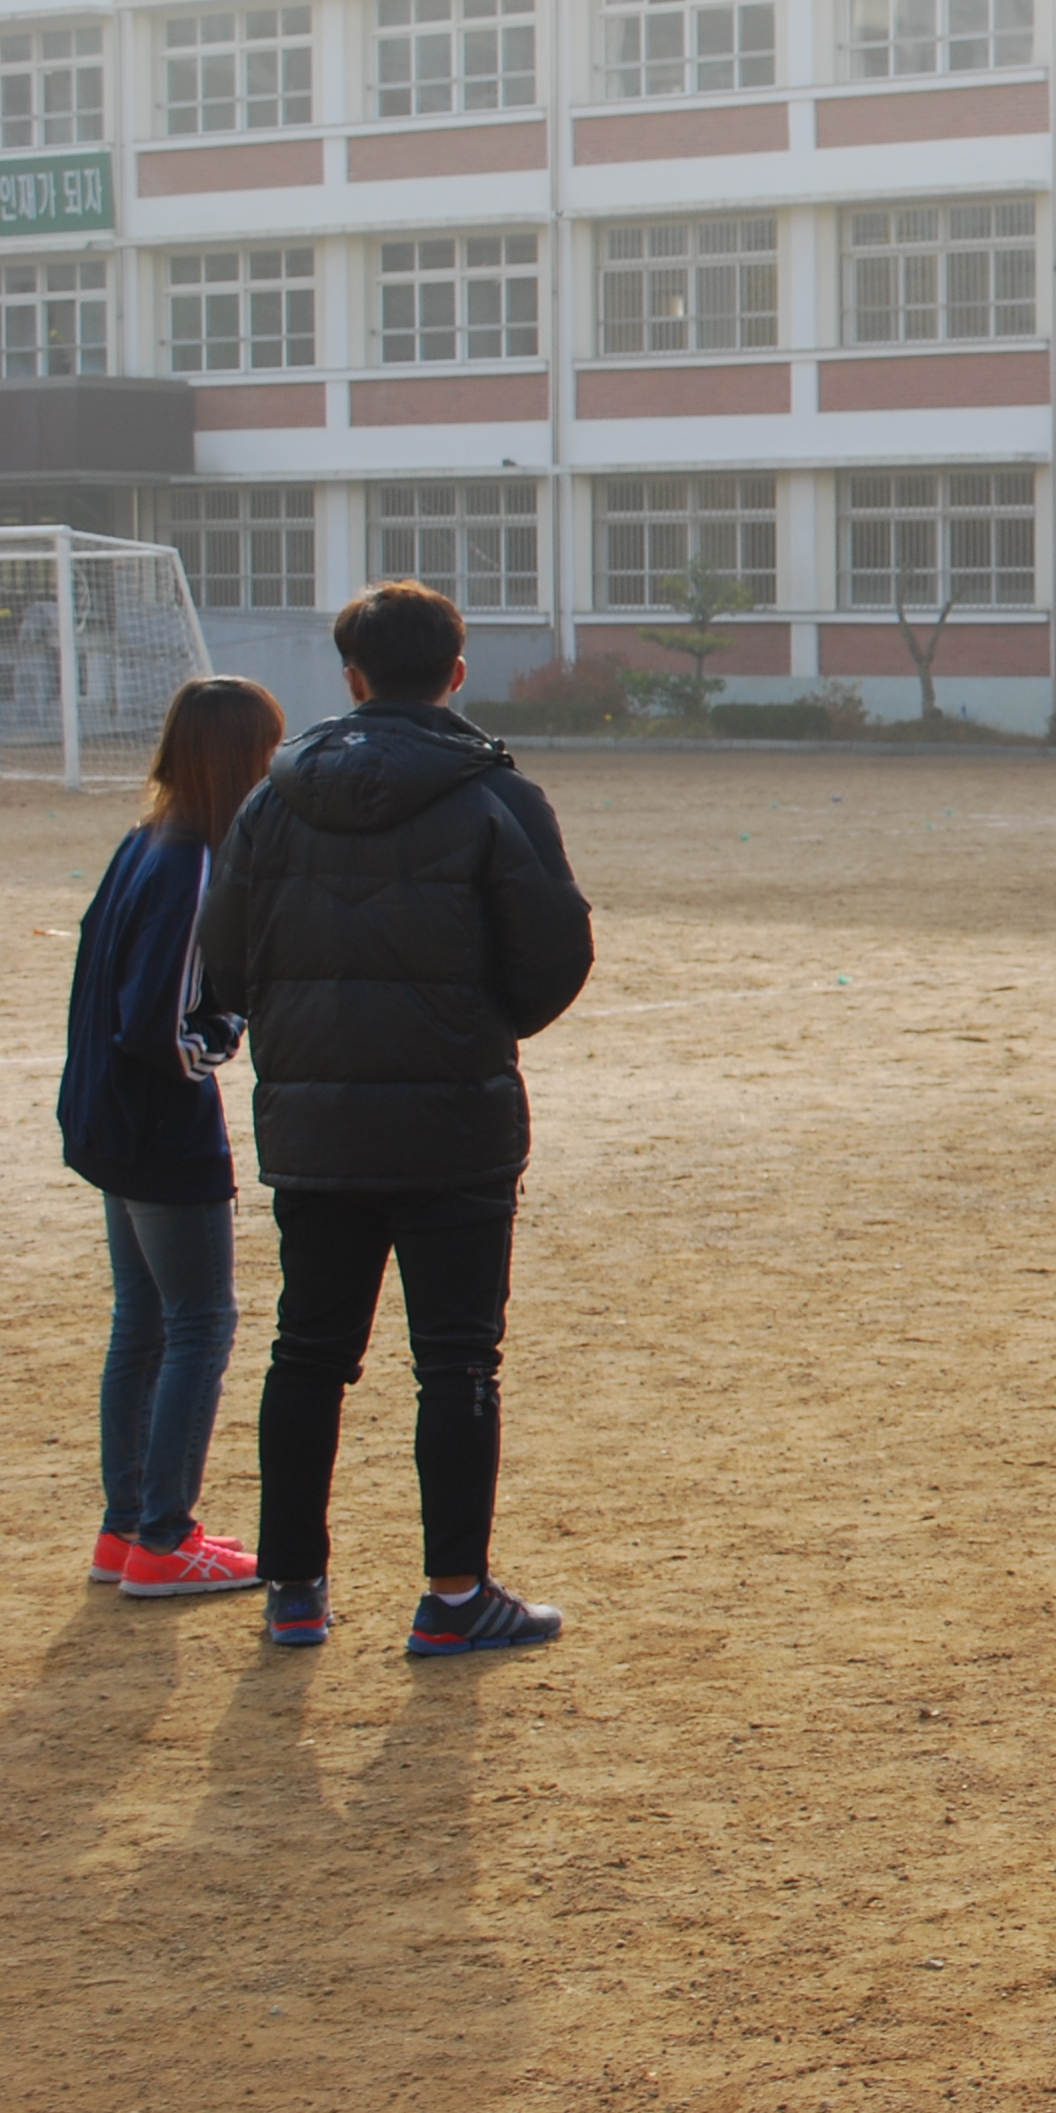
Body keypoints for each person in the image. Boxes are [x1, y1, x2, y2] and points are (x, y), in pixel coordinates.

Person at [202, 581, 595, 1655]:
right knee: (457, 1363)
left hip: (314, 1118)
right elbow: (556, 951)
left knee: (307, 1353)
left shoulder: (271, 801)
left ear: (352, 677)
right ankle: (455, 1595)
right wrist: (480, 1023)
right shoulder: (495, 794)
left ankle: (293, 1588)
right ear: (456, 673)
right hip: (454, 1119)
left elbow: (225, 956)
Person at [60, 675, 285, 1599]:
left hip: (110, 1120)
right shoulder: (194, 861)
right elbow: (160, 1026)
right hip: (159, 1129)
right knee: (201, 1322)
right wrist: (227, 1033)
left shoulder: (143, 839)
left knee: (144, 1322)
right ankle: (163, 1535)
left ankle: (127, 1528)